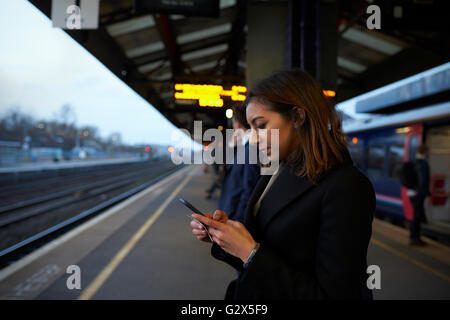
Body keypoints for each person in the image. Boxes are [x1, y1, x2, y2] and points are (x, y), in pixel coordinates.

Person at [189, 69, 375, 300]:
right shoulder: (278, 167)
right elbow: (265, 244)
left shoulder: (348, 187)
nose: (254, 139)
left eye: (261, 125)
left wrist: (250, 252)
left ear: (297, 117)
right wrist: (227, 237)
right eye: (251, 128)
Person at [218, 106, 261, 223]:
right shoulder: (244, 147)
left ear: (236, 124)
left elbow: (249, 191)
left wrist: (238, 222)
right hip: (228, 213)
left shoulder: (251, 149)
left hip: (234, 217)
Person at [407, 145, 430, 246]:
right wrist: (425, 192)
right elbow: (422, 180)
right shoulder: (423, 163)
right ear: (425, 152)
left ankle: (415, 237)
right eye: (428, 151)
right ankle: (414, 238)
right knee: (417, 216)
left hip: (412, 192)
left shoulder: (415, 161)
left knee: (417, 215)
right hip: (418, 193)